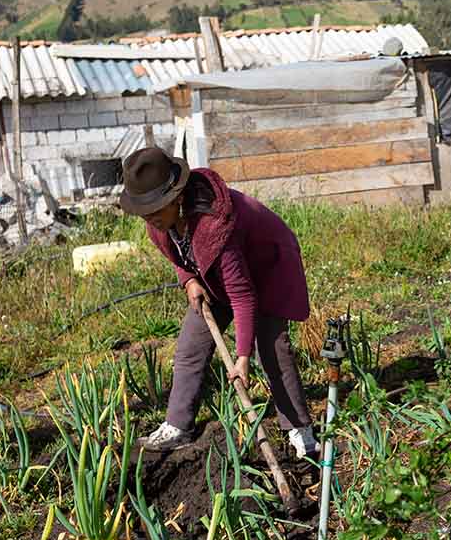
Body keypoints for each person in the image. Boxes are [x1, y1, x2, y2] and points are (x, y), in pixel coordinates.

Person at [119, 146, 319, 458]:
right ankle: (177, 426)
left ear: (177, 198)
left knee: (272, 349)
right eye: (146, 212)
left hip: (268, 268)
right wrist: (189, 279)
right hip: (212, 273)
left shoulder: (215, 224)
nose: (151, 218)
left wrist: (241, 357)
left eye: (156, 210)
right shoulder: (160, 221)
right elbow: (178, 254)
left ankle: (299, 429)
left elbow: (242, 296)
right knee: (189, 348)